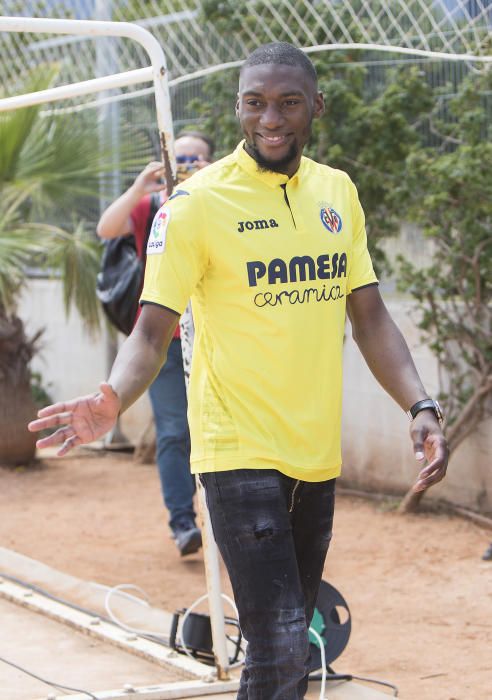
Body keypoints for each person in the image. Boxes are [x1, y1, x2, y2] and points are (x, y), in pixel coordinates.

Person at [29, 43, 449, 699]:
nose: (270, 119)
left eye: (287, 103)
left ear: (316, 106)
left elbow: (368, 316)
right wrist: (116, 394)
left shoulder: (337, 192)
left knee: (293, 649)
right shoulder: (195, 204)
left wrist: (421, 405)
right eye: (254, 103)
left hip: (314, 451)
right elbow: (151, 330)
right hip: (235, 451)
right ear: (238, 108)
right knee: (278, 644)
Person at [96, 131, 214, 556]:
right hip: (163, 335)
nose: (185, 163)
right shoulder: (151, 207)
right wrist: (139, 187)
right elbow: (106, 228)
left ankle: (228, 520)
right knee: (173, 430)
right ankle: (183, 522)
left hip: (217, 338)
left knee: (219, 430)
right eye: (178, 157)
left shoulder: (220, 200)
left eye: (195, 158)